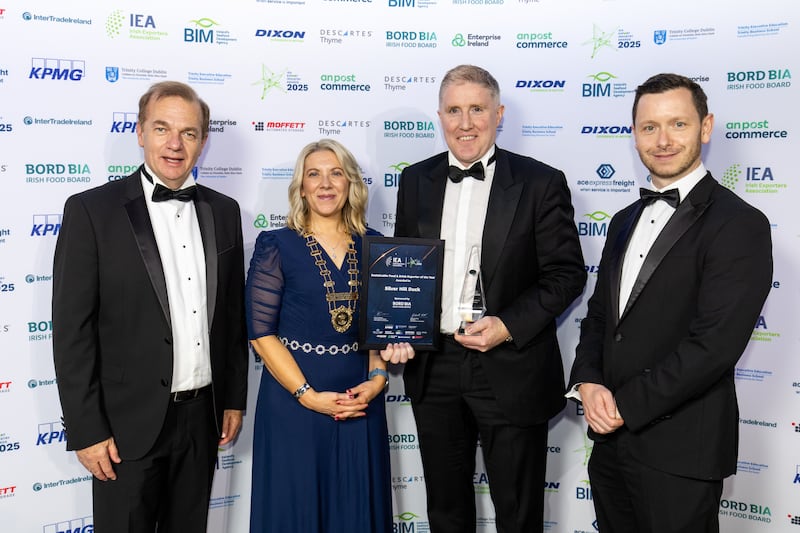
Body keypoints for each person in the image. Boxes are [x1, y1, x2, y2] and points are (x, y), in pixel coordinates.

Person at [567, 73, 773, 532]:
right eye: (648, 127)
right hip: (610, 448)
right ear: (634, 133)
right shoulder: (622, 220)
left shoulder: (740, 223)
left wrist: (624, 405)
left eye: (677, 124)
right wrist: (588, 380)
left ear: (706, 127)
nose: (662, 140)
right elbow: (600, 316)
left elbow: (714, 346)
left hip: (681, 453)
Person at [394, 64, 586, 533]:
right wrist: (399, 330)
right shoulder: (415, 180)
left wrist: (507, 325)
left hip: (512, 366)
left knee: (518, 514)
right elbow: (404, 272)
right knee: (444, 509)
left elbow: (566, 274)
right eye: (454, 110)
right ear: (439, 116)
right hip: (434, 365)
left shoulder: (541, 182)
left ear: (498, 114)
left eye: (477, 109)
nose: (465, 123)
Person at [52, 81, 248, 532]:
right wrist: (87, 430)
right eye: (162, 128)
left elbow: (232, 317)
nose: (175, 144)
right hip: (124, 429)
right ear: (140, 132)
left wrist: (233, 397)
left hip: (202, 421)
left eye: (189, 132)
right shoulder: (91, 211)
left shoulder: (224, 211)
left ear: (203, 140)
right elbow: (71, 332)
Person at [246, 138, 414, 532]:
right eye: (314, 174)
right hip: (293, 405)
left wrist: (376, 381)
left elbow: (379, 326)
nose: (325, 183)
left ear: (350, 183)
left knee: (355, 512)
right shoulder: (277, 244)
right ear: (301, 187)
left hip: (358, 403)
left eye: (336, 173)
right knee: (295, 511)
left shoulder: (375, 246)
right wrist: (308, 396)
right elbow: (260, 333)